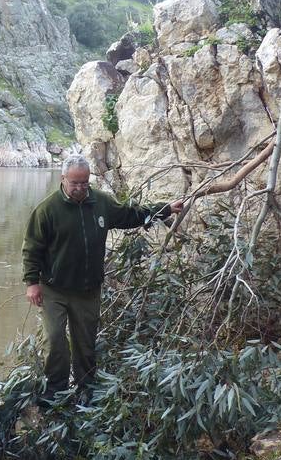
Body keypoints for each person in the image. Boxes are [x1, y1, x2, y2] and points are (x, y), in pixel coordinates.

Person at [22, 155, 183, 402]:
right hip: (54, 289)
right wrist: (32, 283)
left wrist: (163, 209)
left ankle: (87, 392)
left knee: (85, 345)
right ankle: (55, 394)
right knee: (55, 340)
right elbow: (32, 248)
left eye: (84, 183)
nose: (79, 188)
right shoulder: (47, 210)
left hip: (88, 290)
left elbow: (131, 215)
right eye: (74, 183)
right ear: (63, 179)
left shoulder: (101, 203)